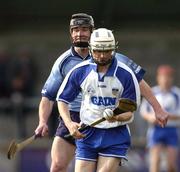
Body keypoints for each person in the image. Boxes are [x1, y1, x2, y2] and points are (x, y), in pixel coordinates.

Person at [35, 13, 168, 172]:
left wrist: (158, 108)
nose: (80, 33)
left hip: (108, 119)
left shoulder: (117, 60)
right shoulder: (64, 62)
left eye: (84, 29)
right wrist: (43, 121)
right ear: (71, 33)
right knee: (57, 166)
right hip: (73, 116)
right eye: (75, 29)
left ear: (93, 32)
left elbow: (139, 83)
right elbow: (49, 96)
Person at [56, 28, 141, 172]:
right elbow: (62, 100)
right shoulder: (80, 71)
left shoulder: (126, 75)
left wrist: (116, 116)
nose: (102, 56)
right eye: (97, 51)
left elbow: (129, 113)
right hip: (87, 133)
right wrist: (69, 124)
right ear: (90, 49)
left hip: (115, 135)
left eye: (107, 51)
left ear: (114, 49)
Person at [140, 64, 180, 172]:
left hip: (172, 130)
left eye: (168, 77)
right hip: (156, 130)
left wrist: (165, 115)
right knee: (155, 162)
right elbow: (143, 111)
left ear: (172, 78)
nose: (165, 80)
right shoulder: (152, 92)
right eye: (163, 77)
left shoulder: (177, 94)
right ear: (158, 78)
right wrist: (151, 117)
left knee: (171, 165)